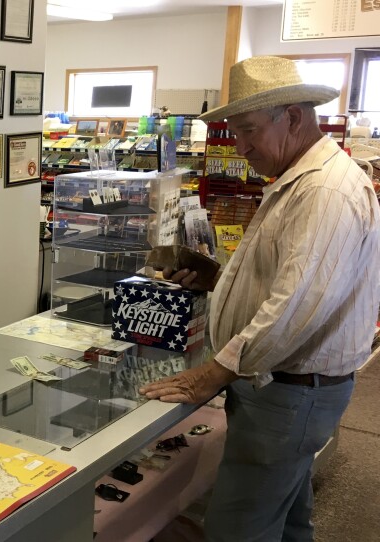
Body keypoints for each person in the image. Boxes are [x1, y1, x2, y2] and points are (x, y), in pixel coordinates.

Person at [140, 56, 380, 541]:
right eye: (234, 132)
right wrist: (218, 280)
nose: (241, 146)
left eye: (248, 130)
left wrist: (210, 375)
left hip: (289, 392)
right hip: (287, 388)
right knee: (287, 518)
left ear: (292, 117)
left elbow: (295, 307)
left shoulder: (324, 191)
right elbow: (291, 280)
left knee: (239, 528)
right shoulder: (301, 179)